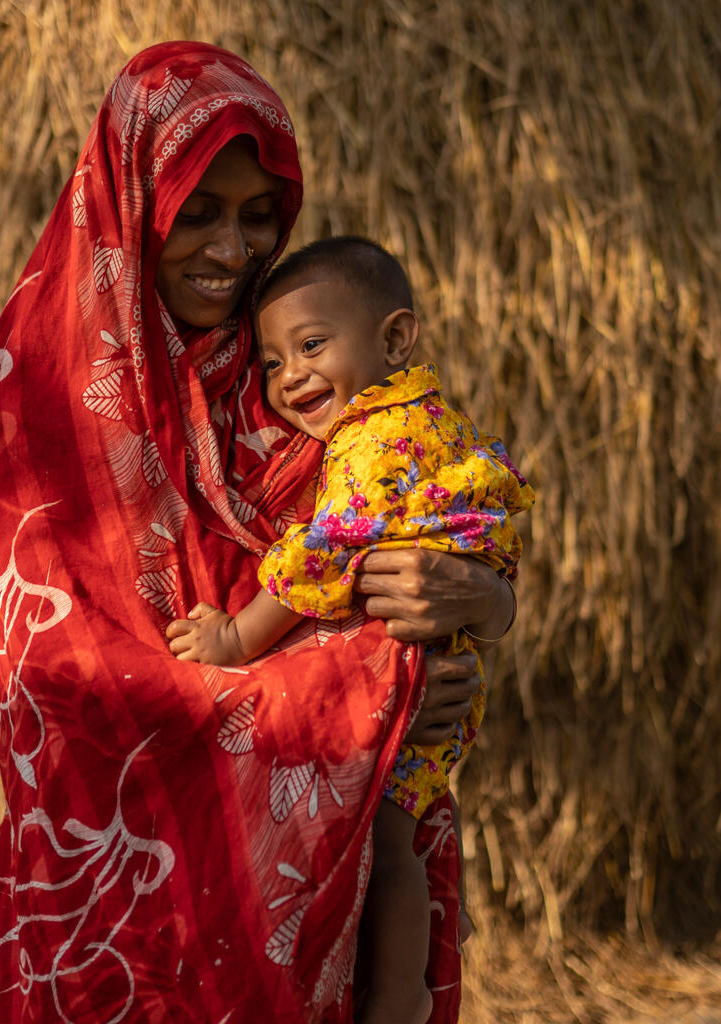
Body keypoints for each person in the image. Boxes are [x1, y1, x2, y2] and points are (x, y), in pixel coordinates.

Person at [0, 42, 516, 1024]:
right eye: (200, 213)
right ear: (136, 198)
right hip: (124, 865)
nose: (234, 248)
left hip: (330, 867)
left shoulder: (294, 379)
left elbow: (403, 524)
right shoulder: (40, 405)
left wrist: (481, 601)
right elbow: (88, 691)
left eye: (260, 217)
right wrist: (367, 696)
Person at [166, 237, 533, 1024]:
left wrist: (233, 641)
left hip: (414, 676)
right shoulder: (431, 421)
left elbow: (321, 553)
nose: (289, 375)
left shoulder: (370, 445)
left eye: (311, 346)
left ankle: (397, 998)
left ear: (395, 339)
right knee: (397, 828)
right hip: (436, 666)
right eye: (270, 361)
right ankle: (419, 958)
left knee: (391, 847)